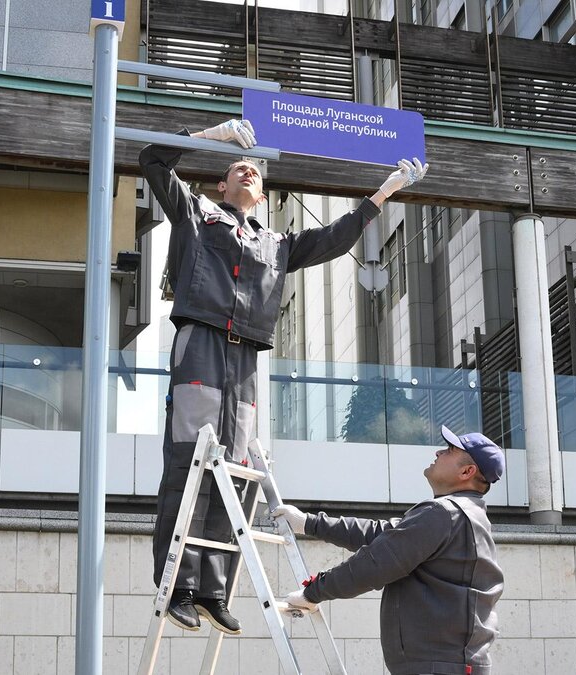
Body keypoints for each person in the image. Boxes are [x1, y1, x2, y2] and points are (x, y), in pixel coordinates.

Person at [140, 118, 428, 635]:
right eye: (236, 168)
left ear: (265, 194)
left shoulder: (276, 243)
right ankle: (178, 584)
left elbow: (335, 239)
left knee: (236, 468)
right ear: (220, 186)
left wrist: (386, 190)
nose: (247, 169)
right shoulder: (195, 212)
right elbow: (153, 162)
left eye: (254, 169)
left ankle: (211, 590)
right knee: (190, 459)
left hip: (246, 358)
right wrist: (215, 137)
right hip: (200, 344)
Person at [272, 425, 505, 675]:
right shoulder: (458, 514)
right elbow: (382, 536)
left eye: (449, 450)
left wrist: (313, 592)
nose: (438, 452)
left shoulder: (444, 514)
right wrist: (309, 523)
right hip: (445, 664)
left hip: (440, 666)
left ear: (467, 471)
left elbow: (375, 564)